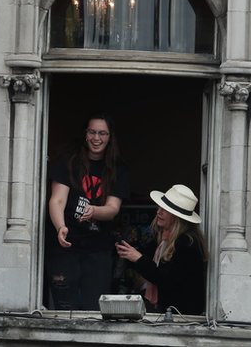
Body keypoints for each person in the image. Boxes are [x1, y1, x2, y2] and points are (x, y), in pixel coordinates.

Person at [46, 113, 130, 310]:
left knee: (94, 306)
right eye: (92, 132)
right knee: (65, 306)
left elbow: (112, 209)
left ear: (110, 137)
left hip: (97, 247)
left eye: (102, 133)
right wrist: (60, 227)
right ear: (85, 134)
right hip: (65, 245)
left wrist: (93, 211)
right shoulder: (69, 161)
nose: (96, 138)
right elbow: (57, 200)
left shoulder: (118, 169)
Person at [115, 184, 208, 315]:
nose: (159, 212)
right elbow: (148, 262)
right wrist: (129, 254)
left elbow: (166, 279)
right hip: (171, 314)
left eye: (166, 209)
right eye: (160, 207)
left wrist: (138, 258)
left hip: (183, 318)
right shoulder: (164, 238)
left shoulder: (187, 243)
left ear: (177, 217)